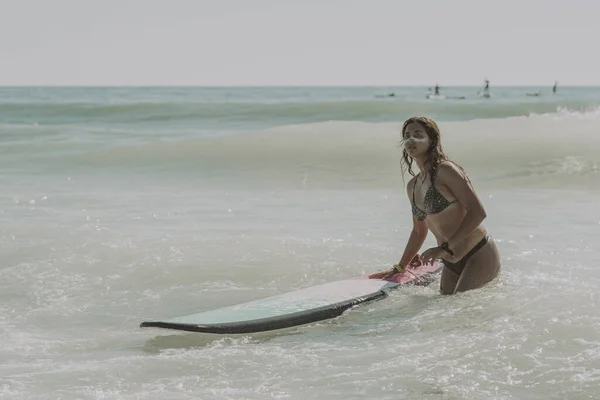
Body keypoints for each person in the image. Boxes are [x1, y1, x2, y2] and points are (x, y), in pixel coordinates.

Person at [370, 116, 501, 294]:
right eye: (407, 136)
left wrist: (444, 248)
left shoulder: (446, 170)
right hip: (450, 261)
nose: (411, 140)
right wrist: (399, 268)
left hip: (477, 253)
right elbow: (418, 231)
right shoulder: (413, 186)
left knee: (460, 311)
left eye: (418, 135)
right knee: (445, 312)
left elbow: (478, 213)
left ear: (432, 140)